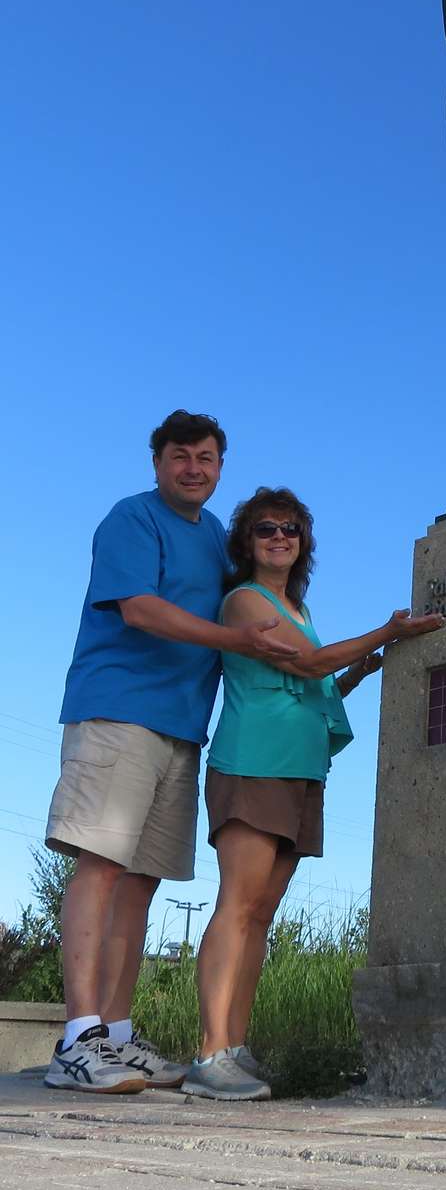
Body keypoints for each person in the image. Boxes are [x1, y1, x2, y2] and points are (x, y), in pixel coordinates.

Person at [44, 411, 299, 1095]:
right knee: (100, 868)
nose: (194, 468)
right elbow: (140, 610)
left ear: (221, 469)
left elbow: (256, 609)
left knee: (141, 883)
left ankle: (117, 1038)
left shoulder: (217, 538)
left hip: (184, 731)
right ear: (158, 463)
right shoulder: (132, 518)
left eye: (207, 457)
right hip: (119, 711)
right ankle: (78, 1039)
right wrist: (241, 643)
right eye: (180, 455)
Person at [182, 486, 443, 1100]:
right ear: (246, 542)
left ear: (303, 545)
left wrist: (359, 668)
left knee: (260, 916)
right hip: (253, 762)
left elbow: (314, 685)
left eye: (290, 529)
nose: (279, 537)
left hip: (301, 770)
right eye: (266, 528)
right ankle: (209, 1052)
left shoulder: (297, 610)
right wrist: (388, 632)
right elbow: (307, 667)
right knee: (237, 906)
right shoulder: (245, 601)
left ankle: (234, 1049)